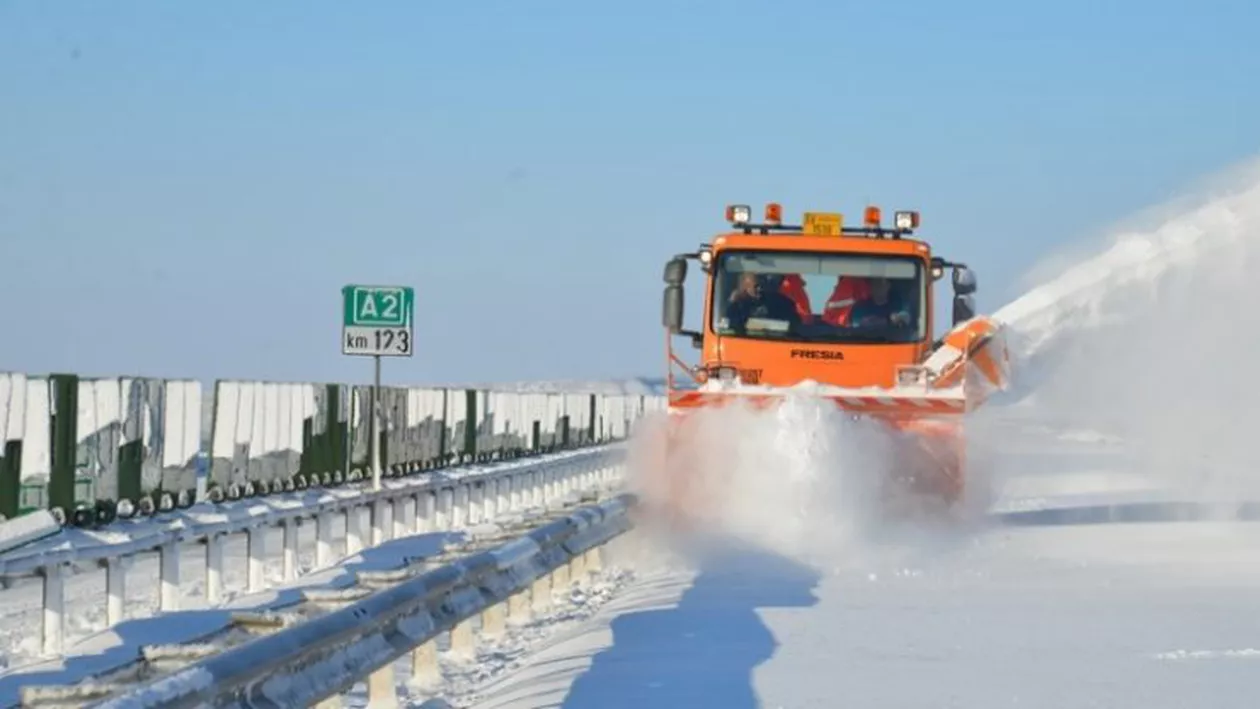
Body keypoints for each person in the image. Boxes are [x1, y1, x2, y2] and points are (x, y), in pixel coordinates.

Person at [725, 272, 801, 333]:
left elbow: (795, 326)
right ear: (745, 286)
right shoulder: (737, 305)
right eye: (756, 286)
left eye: (762, 285)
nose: (760, 289)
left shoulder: (781, 303)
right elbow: (728, 325)